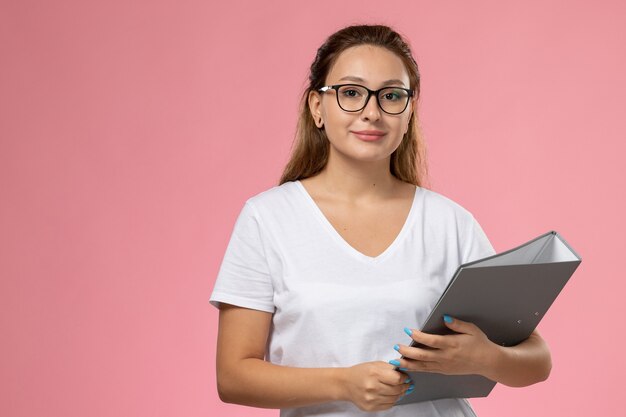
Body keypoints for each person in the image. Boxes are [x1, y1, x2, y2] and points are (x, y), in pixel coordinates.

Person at [209, 24, 552, 416]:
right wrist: (342, 382)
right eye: (351, 93)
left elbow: (537, 360)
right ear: (317, 107)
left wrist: (485, 357)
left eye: (391, 96)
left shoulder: (449, 223)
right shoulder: (268, 219)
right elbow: (233, 376)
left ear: (408, 114)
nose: (372, 112)